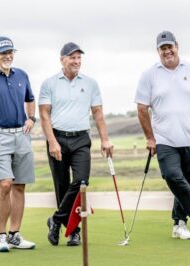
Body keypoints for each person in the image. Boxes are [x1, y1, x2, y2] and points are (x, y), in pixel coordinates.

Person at [135, 31, 190, 240]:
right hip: (164, 139)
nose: (167, 51)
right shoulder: (149, 75)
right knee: (173, 176)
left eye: (169, 46)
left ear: (177, 46)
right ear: (158, 51)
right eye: (162, 48)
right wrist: (150, 138)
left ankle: (179, 224)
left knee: (185, 183)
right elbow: (141, 108)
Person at [39, 42, 113, 247]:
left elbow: (98, 113)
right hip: (58, 138)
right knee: (62, 186)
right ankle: (73, 231)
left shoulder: (90, 83)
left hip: (81, 139)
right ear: (62, 59)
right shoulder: (49, 83)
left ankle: (55, 220)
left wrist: (105, 139)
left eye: (79, 57)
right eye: (72, 57)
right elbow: (44, 114)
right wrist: (52, 142)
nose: (76, 61)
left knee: (81, 183)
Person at [0, 36, 36, 252]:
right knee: (4, 184)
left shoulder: (22, 75)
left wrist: (31, 119)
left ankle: (15, 234)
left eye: (10, 52)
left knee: (19, 185)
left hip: (21, 135)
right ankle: (0, 236)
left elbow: (30, 99)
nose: (8, 56)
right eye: (3, 53)